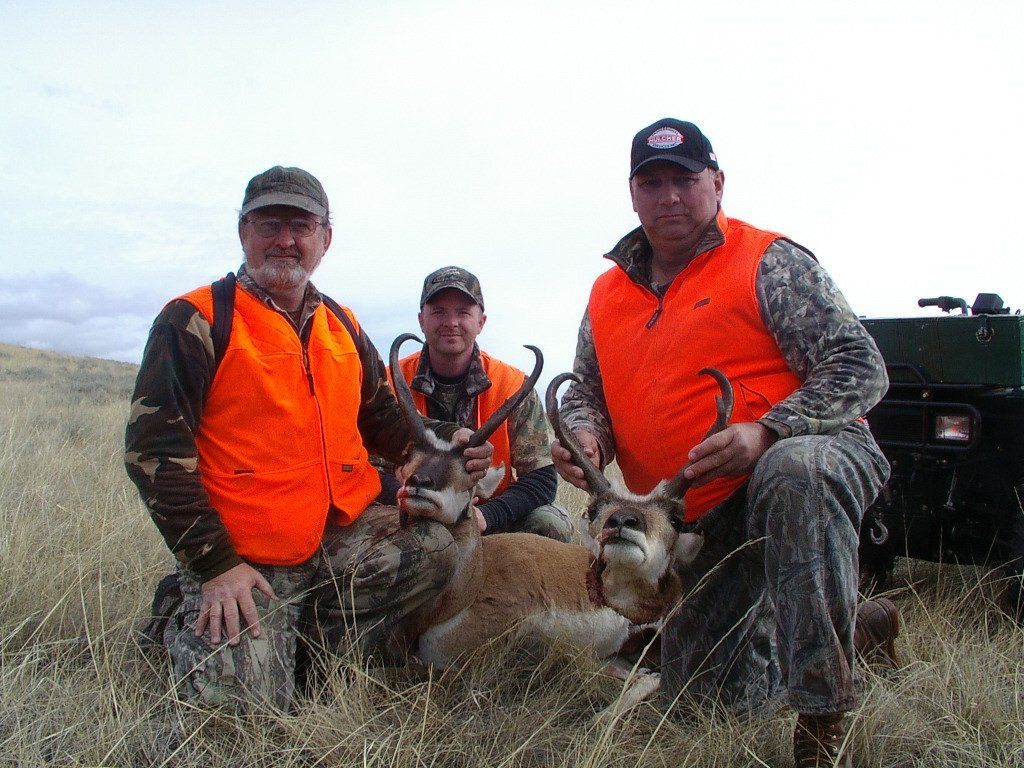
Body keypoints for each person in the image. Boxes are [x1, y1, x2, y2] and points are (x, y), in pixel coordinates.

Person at [552, 119, 898, 767]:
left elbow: (860, 367)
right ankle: (858, 626)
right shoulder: (607, 293)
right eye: (653, 183)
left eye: (684, 180)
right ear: (633, 194)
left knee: (796, 470)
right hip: (700, 514)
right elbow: (585, 393)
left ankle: (824, 722)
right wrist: (584, 434)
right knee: (706, 707)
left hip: (807, 466)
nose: (670, 197)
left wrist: (767, 430)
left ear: (716, 183)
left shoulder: (768, 262)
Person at [125, 166, 492, 712]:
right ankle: (181, 609)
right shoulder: (197, 320)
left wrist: (447, 440)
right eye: (268, 223)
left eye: (301, 225)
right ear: (243, 231)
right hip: (246, 551)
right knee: (242, 716)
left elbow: (384, 420)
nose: (285, 240)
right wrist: (214, 564)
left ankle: (314, 640)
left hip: (339, 533)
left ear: (326, 237)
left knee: (438, 546)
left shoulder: (341, 324)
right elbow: (153, 453)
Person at [381, 266, 574, 542]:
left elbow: (541, 478)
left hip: (489, 517)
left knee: (549, 524)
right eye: (438, 312)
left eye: (463, 312)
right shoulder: (389, 383)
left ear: (481, 322)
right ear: (421, 320)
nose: (451, 322)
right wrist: (406, 502)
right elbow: (369, 469)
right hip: (412, 509)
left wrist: (490, 516)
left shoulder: (513, 384)